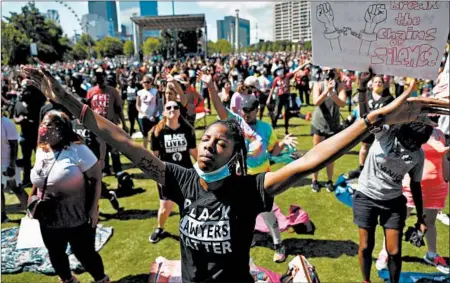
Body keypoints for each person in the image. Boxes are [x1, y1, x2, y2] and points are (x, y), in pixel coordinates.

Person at [23, 65, 447, 283]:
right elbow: (122, 141)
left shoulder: (250, 190)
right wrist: (66, 98)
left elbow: (311, 161)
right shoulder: (182, 181)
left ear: (234, 154)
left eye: (219, 143)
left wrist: (372, 120)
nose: (207, 145)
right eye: (205, 139)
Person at [204, 73, 298, 263]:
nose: (246, 113)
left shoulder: (265, 128)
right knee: (241, 211)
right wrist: (211, 87)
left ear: (257, 108)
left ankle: (278, 243)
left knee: (267, 211)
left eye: (249, 109)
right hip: (241, 176)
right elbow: (220, 108)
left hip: (263, 178)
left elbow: (273, 150)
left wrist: (284, 143)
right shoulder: (237, 123)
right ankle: (248, 239)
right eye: (243, 109)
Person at [353, 78, 431, 283]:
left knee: (394, 251)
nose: (412, 147)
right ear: (404, 132)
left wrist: (421, 217)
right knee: (365, 247)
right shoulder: (386, 135)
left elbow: (415, 184)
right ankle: (366, 280)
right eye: (410, 142)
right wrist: (362, 89)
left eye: (417, 144)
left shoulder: (418, 155)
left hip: (393, 202)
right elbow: (366, 118)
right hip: (366, 197)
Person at [30, 111, 109, 283]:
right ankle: (68, 279)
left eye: (48, 124)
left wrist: (93, 210)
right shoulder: (41, 150)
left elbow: (96, 180)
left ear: (60, 127)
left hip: (77, 216)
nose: (43, 128)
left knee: (85, 254)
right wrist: (31, 201)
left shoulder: (78, 150)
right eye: (42, 123)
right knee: (55, 253)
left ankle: (101, 279)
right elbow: (38, 180)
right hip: (48, 218)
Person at [375, 127, 449, 274]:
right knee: (398, 221)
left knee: (430, 223)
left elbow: (443, 158)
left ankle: (431, 255)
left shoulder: (439, 133)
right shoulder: (416, 130)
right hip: (412, 184)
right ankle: (385, 252)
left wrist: (446, 178)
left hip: (436, 186)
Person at [148, 100, 198, 243]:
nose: (172, 109)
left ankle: (188, 231)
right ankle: (160, 228)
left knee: (188, 205)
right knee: (165, 208)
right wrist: (157, 176)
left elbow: (194, 152)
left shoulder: (187, 130)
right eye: (168, 107)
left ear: (179, 111)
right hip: (167, 176)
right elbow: (154, 157)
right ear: (163, 112)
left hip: (186, 174)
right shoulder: (157, 131)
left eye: (175, 107)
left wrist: (205, 168)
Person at [348, 71, 395, 179]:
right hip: (367, 127)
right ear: (372, 84)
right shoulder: (367, 95)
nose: (378, 84)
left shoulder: (388, 98)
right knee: (365, 146)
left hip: (381, 128)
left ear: (383, 84)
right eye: (376, 82)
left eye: (380, 82)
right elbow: (359, 106)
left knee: (380, 149)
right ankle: (361, 167)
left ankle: (377, 170)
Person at [310, 67, 348, 192]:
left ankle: (329, 180)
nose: (328, 73)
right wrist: (326, 91)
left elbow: (342, 103)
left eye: (331, 71)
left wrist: (333, 93)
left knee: (331, 155)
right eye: (326, 71)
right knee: (317, 152)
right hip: (319, 122)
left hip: (333, 123)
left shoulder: (341, 85)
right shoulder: (318, 85)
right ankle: (314, 180)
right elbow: (316, 102)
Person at [2, 108, 28, 222]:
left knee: (16, 188)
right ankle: (2, 216)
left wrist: (11, 165)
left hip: (7, 162)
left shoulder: (7, 123)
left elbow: (14, 145)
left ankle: (33, 212)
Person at [136, 75, 159, 149]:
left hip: (154, 116)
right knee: (144, 134)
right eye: (144, 82)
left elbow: (158, 103)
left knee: (155, 134)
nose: (146, 84)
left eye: (148, 82)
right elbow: (137, 105)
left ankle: (155, 150)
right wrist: (142, 113)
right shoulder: (139, 92)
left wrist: (154, 114)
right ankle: (145, 151)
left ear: (151, 82)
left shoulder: (155, 91)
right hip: (143, 117)